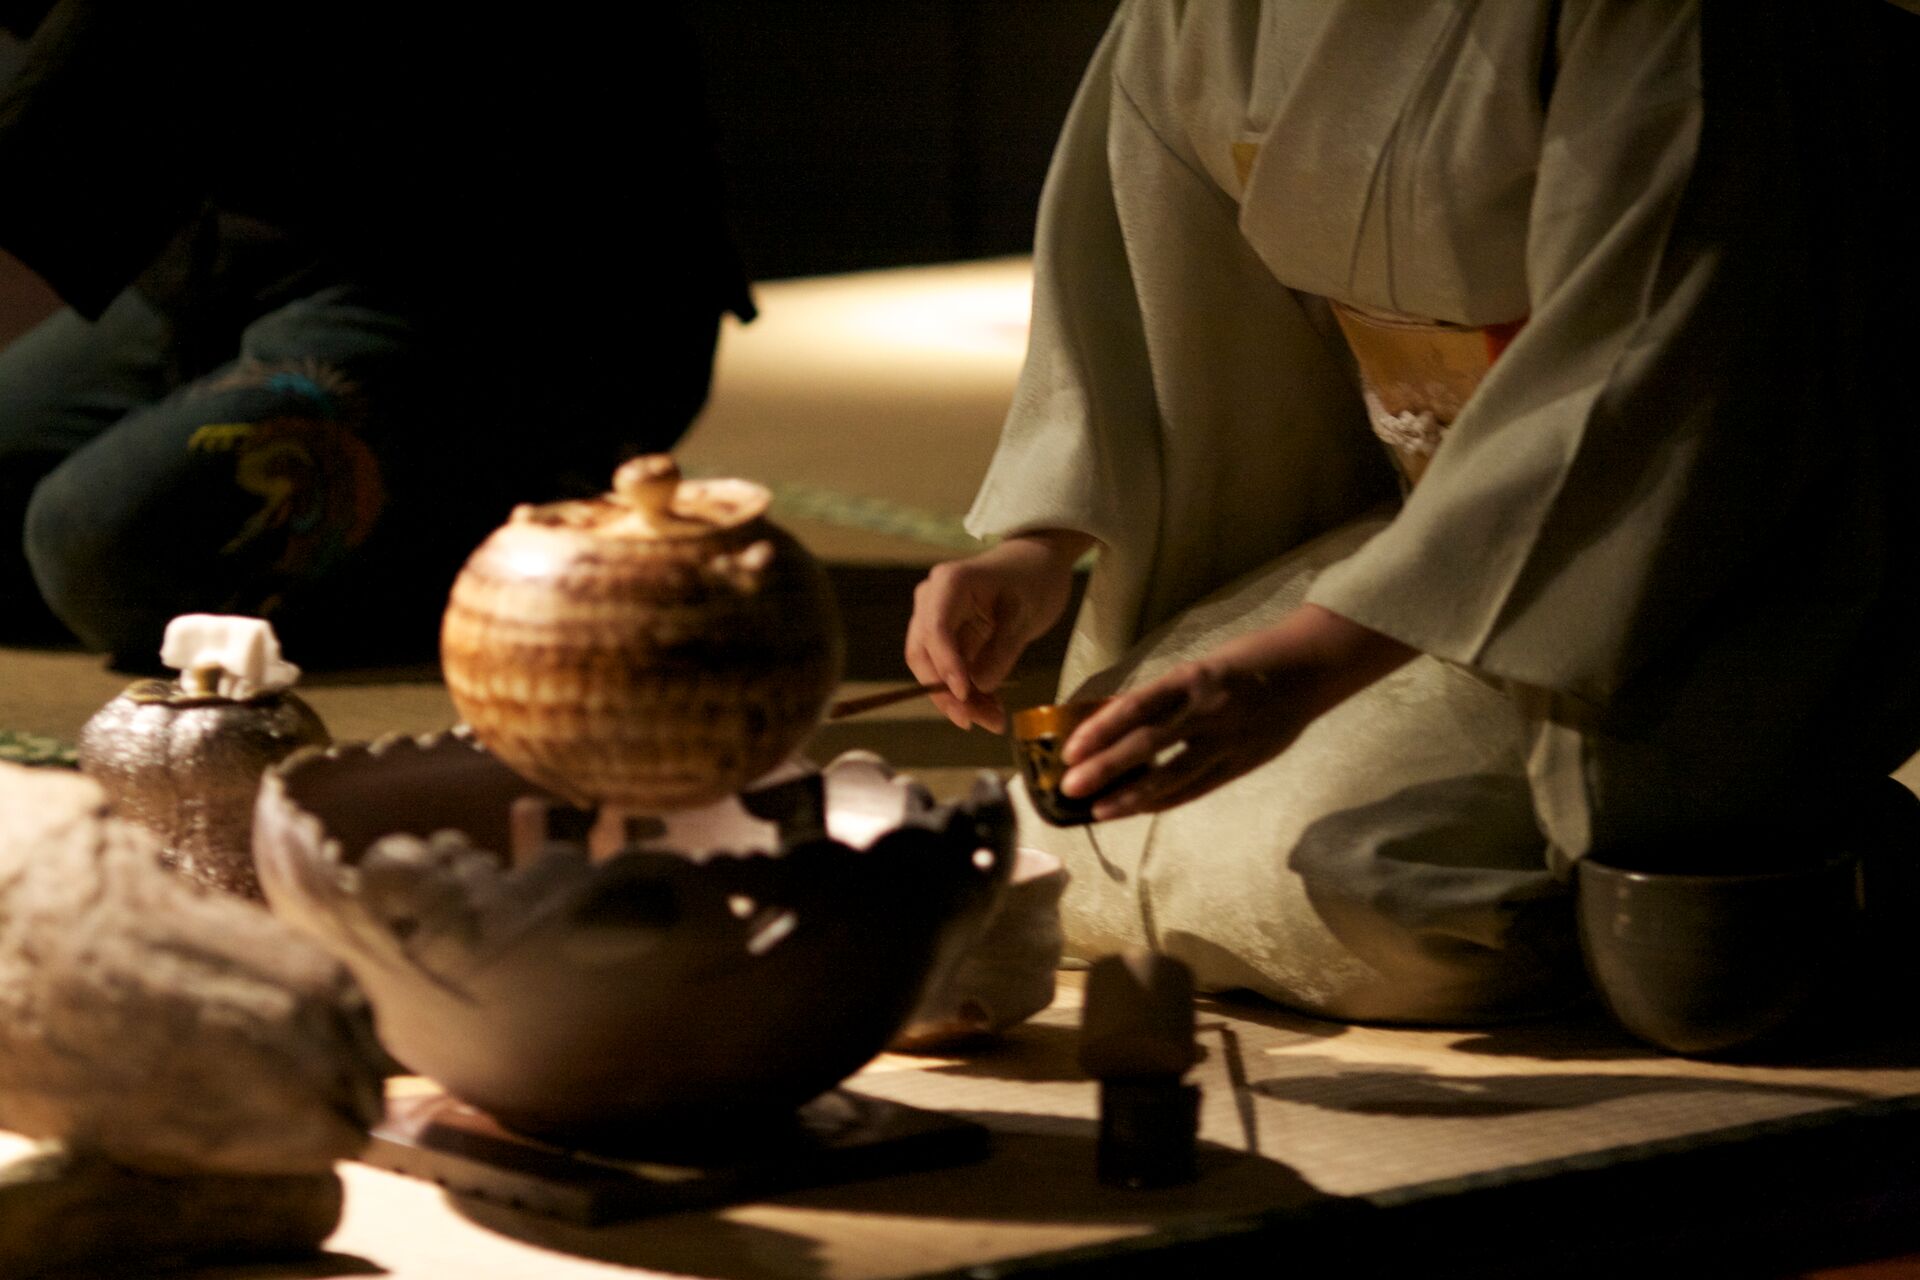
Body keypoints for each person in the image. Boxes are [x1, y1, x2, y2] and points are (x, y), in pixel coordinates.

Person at [906, 1, 1920, 1023]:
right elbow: (1143, 280)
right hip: (1421, 535)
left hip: (1682, 558)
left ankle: (1767, 873)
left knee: (1358, 869)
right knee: (1096, 822)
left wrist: (1300, 665)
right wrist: (1040, 547)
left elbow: (1652, 372)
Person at [0, 1, 752, 666]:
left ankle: (552, 510)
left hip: (507, 288)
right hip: (236, 255)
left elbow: (58, 124)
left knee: (108, 555)